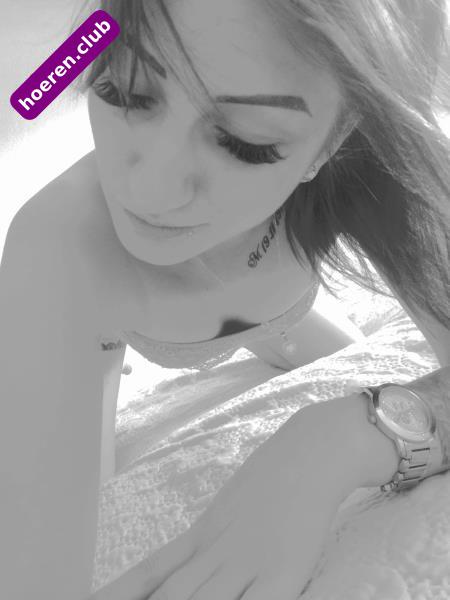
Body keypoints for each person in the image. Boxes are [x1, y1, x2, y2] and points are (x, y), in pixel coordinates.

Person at [1, 1, 449, 599]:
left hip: (283, 307)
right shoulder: (59, 250)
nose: (148, 191)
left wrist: (339, 442)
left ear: (336, 140)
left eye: (246, 143)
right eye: (123, 91)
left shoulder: (392, 166)